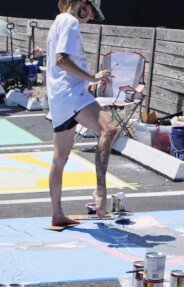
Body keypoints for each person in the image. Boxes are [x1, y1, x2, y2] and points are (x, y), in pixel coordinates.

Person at [46, 0, 118, 227]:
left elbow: (59, 62)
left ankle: (57, 214)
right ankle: (100, 189)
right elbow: (61, 60)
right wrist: (92, 78)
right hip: (71, 94)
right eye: (90, 13)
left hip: (58, 99)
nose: (89, 19)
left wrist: (85, 80)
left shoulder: (57, 21)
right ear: (82, 4)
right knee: (109, 129)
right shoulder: (69, 22)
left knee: (59, 159)